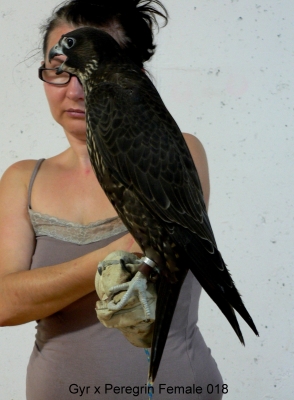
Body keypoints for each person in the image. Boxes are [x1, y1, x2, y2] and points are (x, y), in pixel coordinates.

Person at [0, 1, 223, 399]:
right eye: (59, 71)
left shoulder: (182, 148)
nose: (75, 89)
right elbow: (4, 304)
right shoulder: (22, 180)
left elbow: (164, 243)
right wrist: (107, 261)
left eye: (94, 68)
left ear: (133, 74)